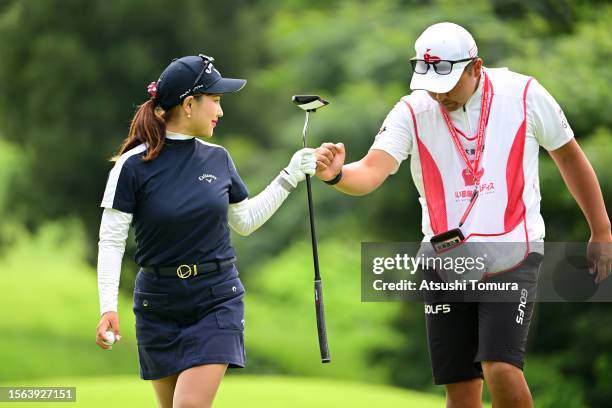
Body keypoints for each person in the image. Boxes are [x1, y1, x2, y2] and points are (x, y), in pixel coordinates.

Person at [315, 22, 612, 408]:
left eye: (449, 83)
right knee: (460, 388)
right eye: (431, 85)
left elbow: (569, 156)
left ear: (476, 67)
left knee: (501, 368)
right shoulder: (412, 109)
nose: (439, 94)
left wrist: (601, 229)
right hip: (443, 261)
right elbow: (371, 170)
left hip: (513, 254)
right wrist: (336, 174)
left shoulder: (523, 93)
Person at [95, 54, 316, 408]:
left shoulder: (218, 158)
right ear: (188, 104)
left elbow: (244, 221)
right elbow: (111, 240)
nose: (220, 111)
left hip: (215, 299)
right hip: (158, 304)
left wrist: (288, 176)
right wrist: (108, 306)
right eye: (215, 100)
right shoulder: (132, 166)